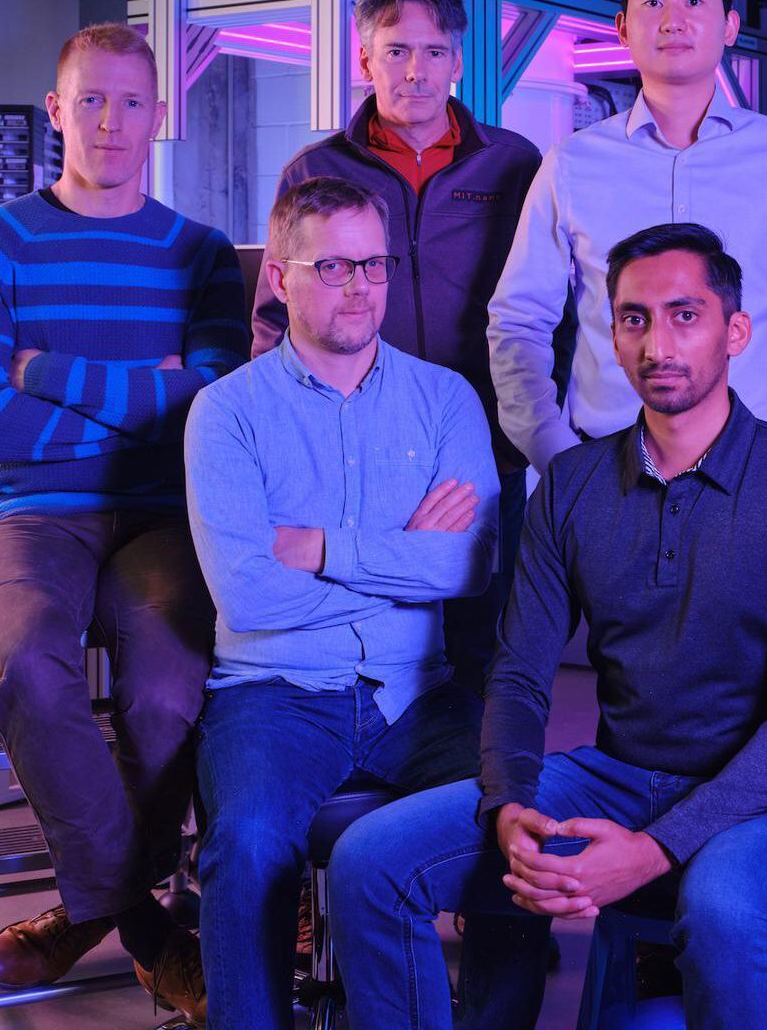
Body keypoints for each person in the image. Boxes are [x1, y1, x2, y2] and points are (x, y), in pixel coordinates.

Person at [329, 224, 767, 1029]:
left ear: (737, 330)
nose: (658, 343)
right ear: (610, 334)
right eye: (633, 318)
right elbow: (518, 672)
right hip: (619, 776)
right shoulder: (574, 484)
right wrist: (508, 807)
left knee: (723, 909)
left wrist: (654, 849)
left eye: (685, 316)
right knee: (369, 862)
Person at [0, 23, 248, 1023]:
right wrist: (146, 392)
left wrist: (49, 374)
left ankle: (83, 911)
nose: (111, 122)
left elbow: (211, 408)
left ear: (162, 116)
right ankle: (145, 924)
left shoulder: (199, 255)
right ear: (57, 110)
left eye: (132, 102)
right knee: (26, 657)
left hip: (163, 513)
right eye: (91, 100)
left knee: (167, 683)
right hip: (29, 512)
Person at [186, 176, 540, 1029]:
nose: (359, 288)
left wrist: (321, 547)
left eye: (374, 265)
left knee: (519, 831)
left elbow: (471, 565)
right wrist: (402, 550)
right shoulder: (225, 414)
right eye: (334, 265)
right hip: (272, 697)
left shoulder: (447, 397)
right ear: (279, 276)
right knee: (247, 849)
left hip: (417, 691)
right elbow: (246, 593)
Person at [247, 0, 543, 696]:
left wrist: (532, 427)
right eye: (397, 50)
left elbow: (544, 303)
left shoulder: (514, 164)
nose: (417, 69)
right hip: (350, 446)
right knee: (366, 629)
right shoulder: (314, 170)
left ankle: (473, 799)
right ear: (365, 59)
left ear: (460, 60)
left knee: (486, 636)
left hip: (478, 444)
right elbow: (271, 320)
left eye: (435, 51)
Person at [488, 0, 767, 472]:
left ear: (730, 25)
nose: (672, 19)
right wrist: (556, 454)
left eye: (694, 0)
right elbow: (519, 320)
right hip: (604, 465)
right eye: (652, 1)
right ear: (621, 27)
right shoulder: (571, 163)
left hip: (758, 468)